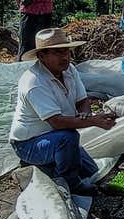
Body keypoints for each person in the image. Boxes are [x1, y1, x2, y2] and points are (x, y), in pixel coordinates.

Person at [9, 28, 117, 196]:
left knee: (91, 170)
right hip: (29, 143)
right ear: (41, 56)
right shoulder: (34, 82)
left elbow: (82, 100)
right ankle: (71, 184)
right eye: (57, 53)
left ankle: (50, 163)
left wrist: (86, 114)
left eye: (66, 51)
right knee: (69, 138)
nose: (65, 57)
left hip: (55, 136)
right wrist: (94, 121)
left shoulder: (69, 70)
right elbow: (57, 122)